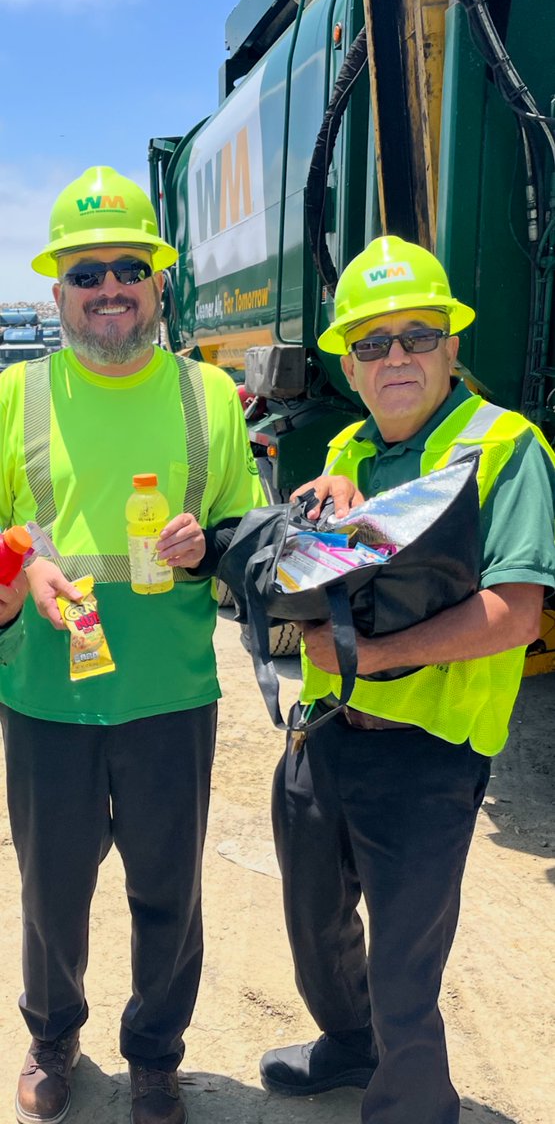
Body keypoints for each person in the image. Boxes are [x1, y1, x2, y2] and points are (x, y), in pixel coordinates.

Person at [259, 235, 555, 1124]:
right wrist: (305, 521)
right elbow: (324, 578)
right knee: (314, 925)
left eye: (417, 336)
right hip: (325, 733)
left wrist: (370, 660)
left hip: (427, 753)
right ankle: (350, 1047)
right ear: (349, 365)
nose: (395, 356)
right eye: (372, 342)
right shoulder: (348, 447)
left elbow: (516, 613)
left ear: (450, 347)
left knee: (403, 966)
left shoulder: (502, 446)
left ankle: (412, 1103)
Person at [0, 166, 265, 1124]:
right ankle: (52, 1036)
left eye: (127, 269)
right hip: (47, 694)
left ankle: (155, 1055)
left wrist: (211, 547)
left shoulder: (210, 396)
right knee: (51, 892)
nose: (108, 288)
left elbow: (249, 537)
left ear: (159, 282)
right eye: (86, 273)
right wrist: (24, 566)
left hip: (170, 692)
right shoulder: (16, 394)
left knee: (168, 891)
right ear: (57, 292)